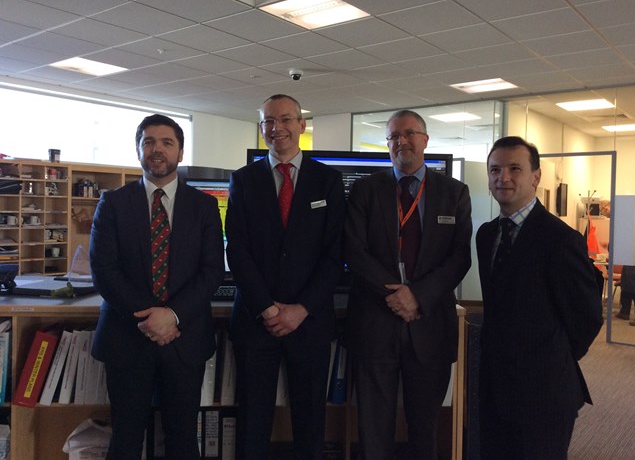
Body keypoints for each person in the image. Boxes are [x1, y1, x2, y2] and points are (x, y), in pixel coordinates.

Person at [90, 114, 225, 460]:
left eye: (166, 142)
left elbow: (211, 272)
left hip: (185, 338)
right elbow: (104, 271)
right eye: (148, 141)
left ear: (180, 152)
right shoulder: (113, 204)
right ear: (138, 151)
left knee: (182, 441)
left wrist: (172, 316)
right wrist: (152, 318)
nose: (157, 149)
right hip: (127, 337)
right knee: (125, 440)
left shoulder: (205, 207)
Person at [344, 109, 472, 460]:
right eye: (394, 136)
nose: (402, 141)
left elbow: (460, 258)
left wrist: (417, 296)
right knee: (373, 428)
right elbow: (354, 252)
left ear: (426, 140)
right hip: (375, 324)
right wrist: (396, 295)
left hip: (429, 325)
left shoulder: (454, 192)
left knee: (425, 428)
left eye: (409, 133)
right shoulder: (365, 190)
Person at [225, 94, 346, 460]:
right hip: (255, 319)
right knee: (252, 420)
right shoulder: (243, 180)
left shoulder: (328, 180)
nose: (277, 128)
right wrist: (266, 308)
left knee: (309, 421)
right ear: (262, 128)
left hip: (309, 322)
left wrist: (300, 308)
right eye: (268, 122)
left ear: (301, 125)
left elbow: (335, 252)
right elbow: (238, 250)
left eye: (286, 120)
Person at [476, 136, 603, 460]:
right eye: (495, 170)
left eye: (514, 168)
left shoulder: (560, 240)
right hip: (495, 388)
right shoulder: (487, 234)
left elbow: (587, 317)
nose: (502, 177)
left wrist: (551, 353)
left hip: (544, 392)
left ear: (536, 177)